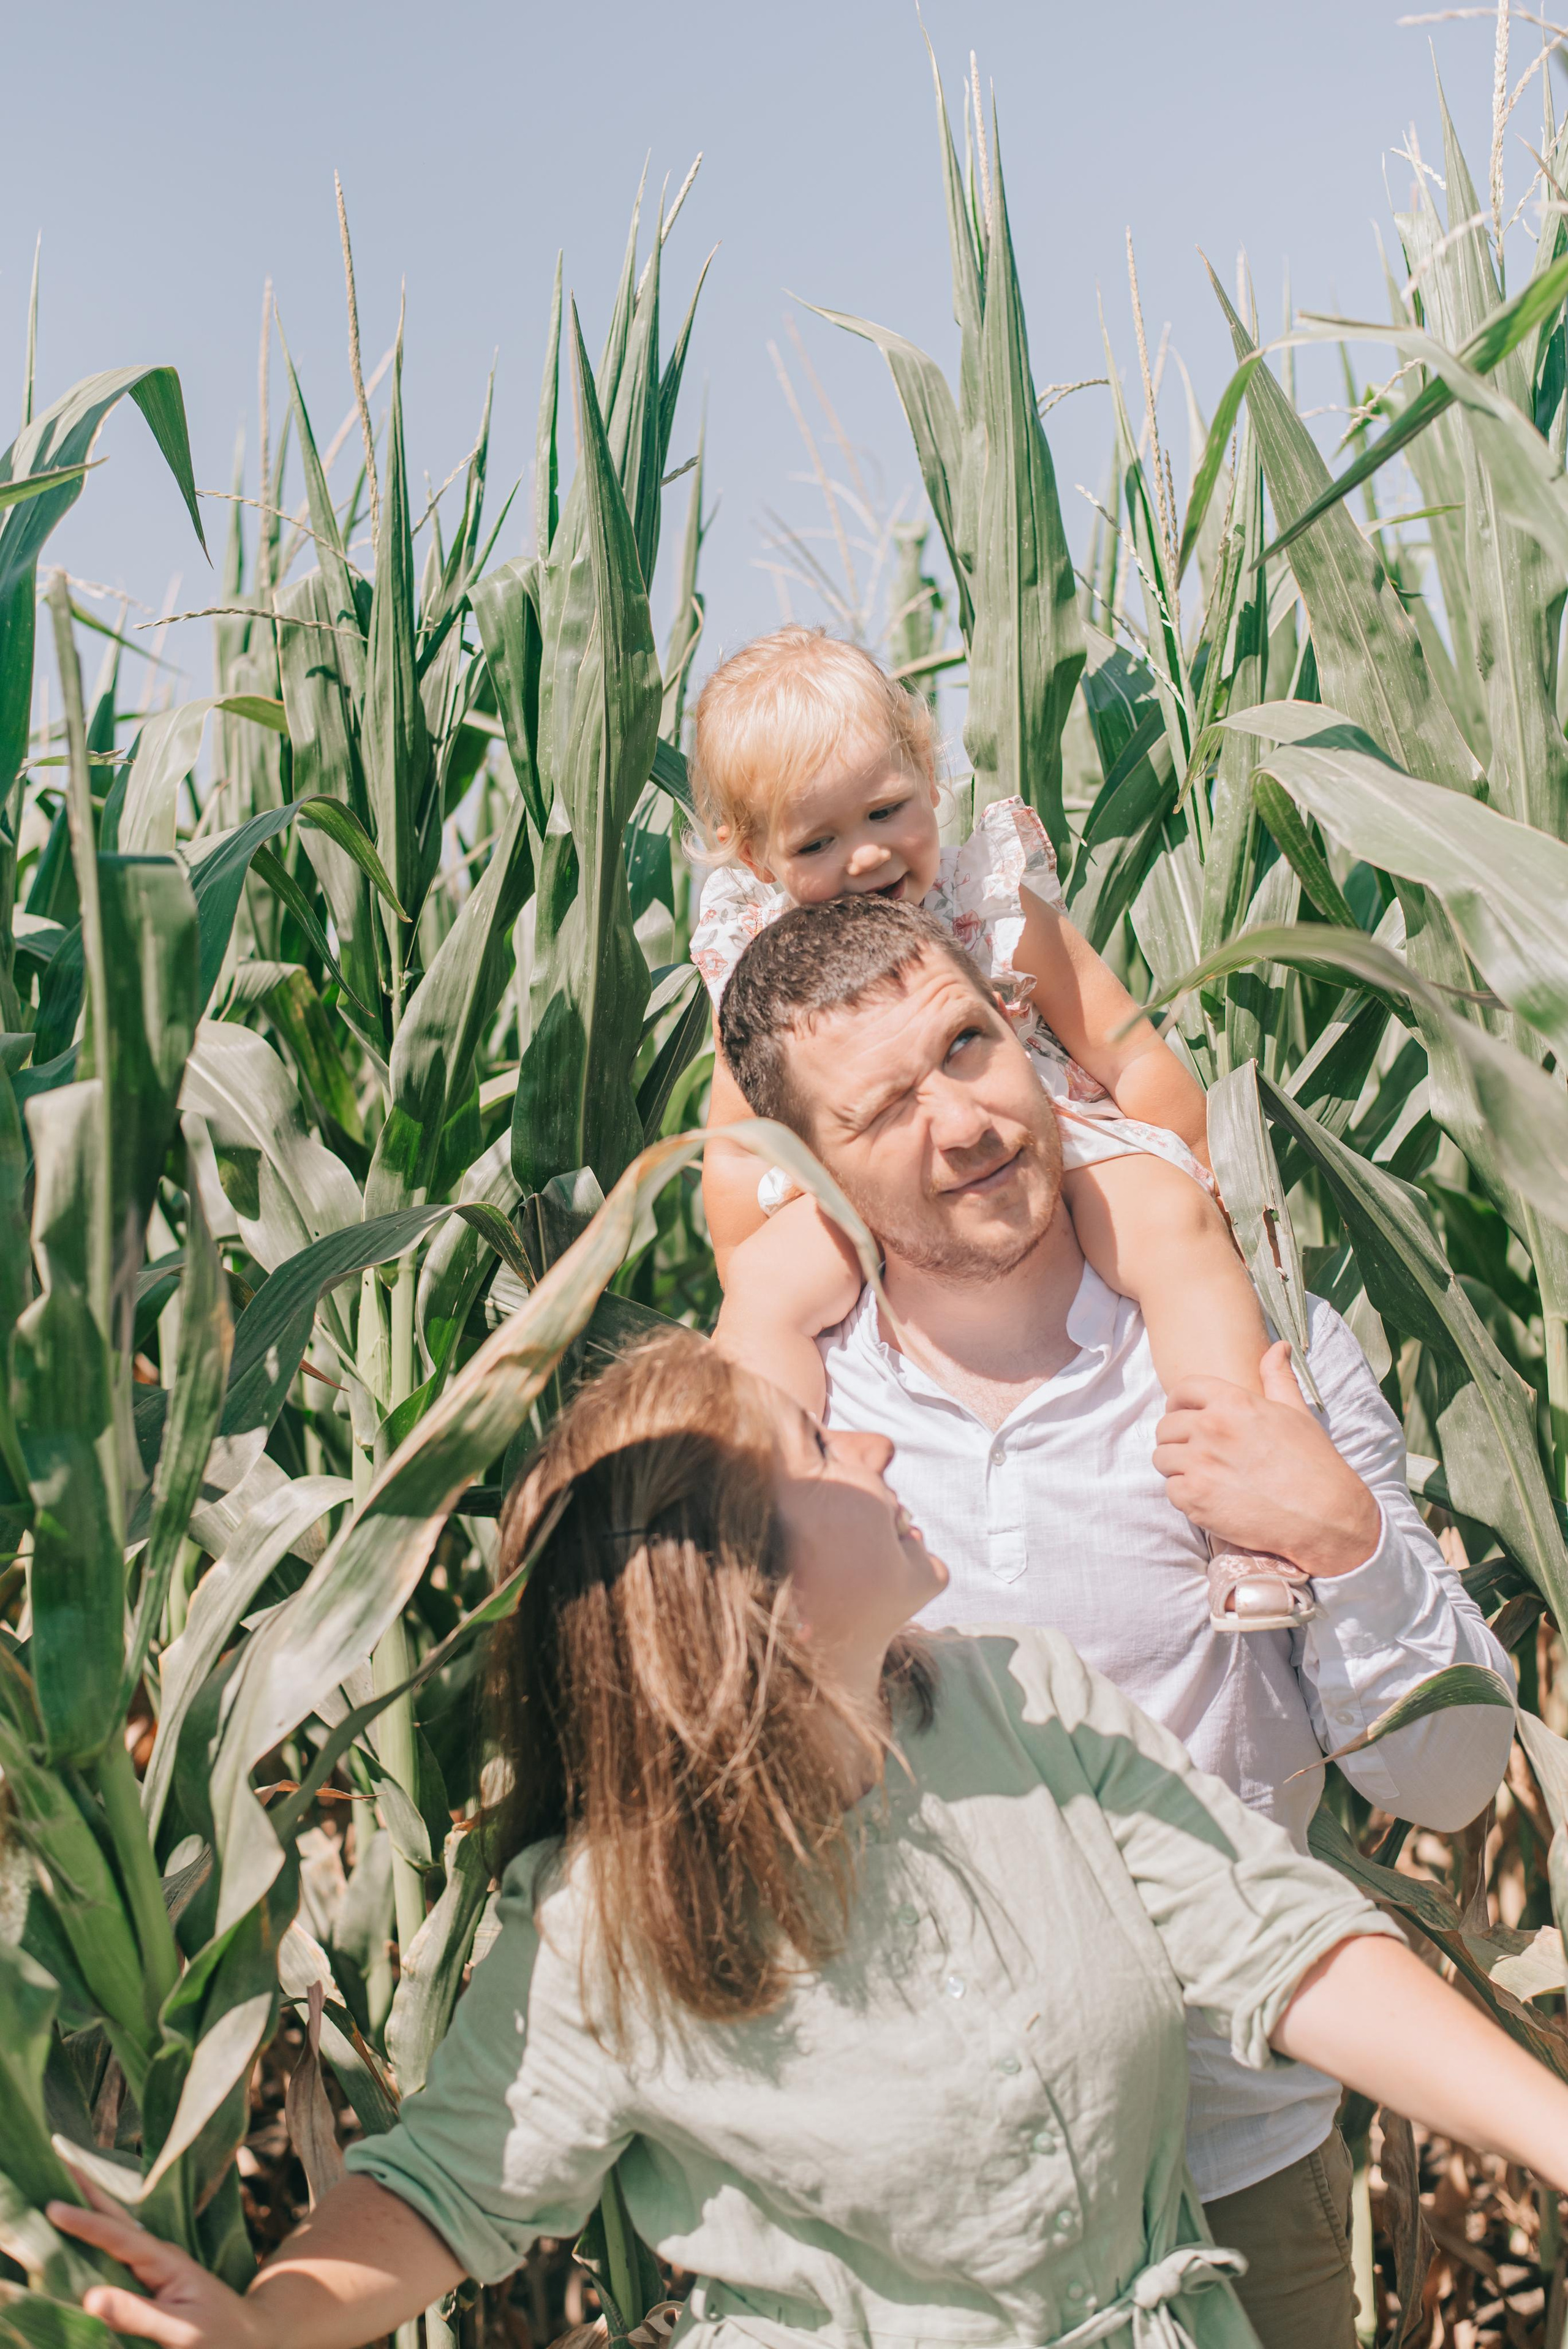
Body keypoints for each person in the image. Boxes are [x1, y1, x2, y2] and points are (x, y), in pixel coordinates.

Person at [52, 1333, 1567, 2349]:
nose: (875, 1451)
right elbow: (451, 2188)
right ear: (740, 1588)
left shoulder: (1019, 1695)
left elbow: (1282, 1944)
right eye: (815, 1448)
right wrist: (270, 2323)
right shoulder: (602, 1923)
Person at [710, 893, 1515, 2349]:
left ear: (1022, 1031)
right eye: (884, 1108)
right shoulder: (803, 1442)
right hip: (912, 2219)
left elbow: (1448, 1791)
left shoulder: (1262, 1348)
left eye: (967, 1047)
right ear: (800, 1175)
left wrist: (1342, 1539)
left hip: (1239, 2168)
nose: (961, 1122)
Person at [692, 626, 1299, 1630]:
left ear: (928, 773)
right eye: (817, 842)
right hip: (855, 1181)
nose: (867, 856)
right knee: (765, 1299)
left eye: (887, 810)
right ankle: (776, 1518)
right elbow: (732, 1147)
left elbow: (1122, 1045)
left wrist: (1192, 1164)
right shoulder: (764, 962)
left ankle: (1243, 1509)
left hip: (1052, 1138)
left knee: (1170, 1229)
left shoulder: (990, 901)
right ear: (753, 856)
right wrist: (749, 1256)